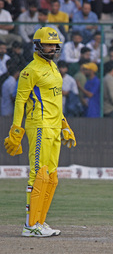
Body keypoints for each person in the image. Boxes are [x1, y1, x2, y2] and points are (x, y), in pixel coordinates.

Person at [3, 27, 76, 237]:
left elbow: (55, 102)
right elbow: (20, 100)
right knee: (39, 175)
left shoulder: (53, 67)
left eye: (54, 44)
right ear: (37, 45)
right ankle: (29, 225)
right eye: (48, 44)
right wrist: (17, 129)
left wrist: (65, 125)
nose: (52, 48)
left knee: (52, 177)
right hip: (39, 125)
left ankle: (40, 222)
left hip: (54, 127)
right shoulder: (30, 70)